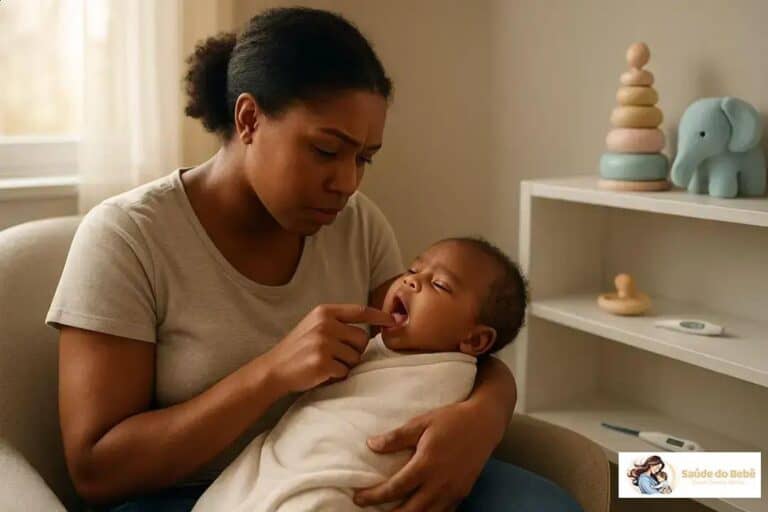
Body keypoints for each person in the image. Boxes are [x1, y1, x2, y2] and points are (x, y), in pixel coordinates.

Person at [46, 7, 582, 512]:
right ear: (250, 119)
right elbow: (97, 471)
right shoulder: (128, 238)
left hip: (348, 467)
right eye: (326, 151)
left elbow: (435, 346)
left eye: (364, 158)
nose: (347, 183)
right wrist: (270, 374)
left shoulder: (356, 223)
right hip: (186, 495)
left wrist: (484, 416)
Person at [192, 237, 536, 511]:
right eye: (413, 269)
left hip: (339, 486)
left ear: (475, 339)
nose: (411, 280)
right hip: (273, 464)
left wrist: (487, 410)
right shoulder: (379, 350)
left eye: (440, 284)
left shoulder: (444, 376)